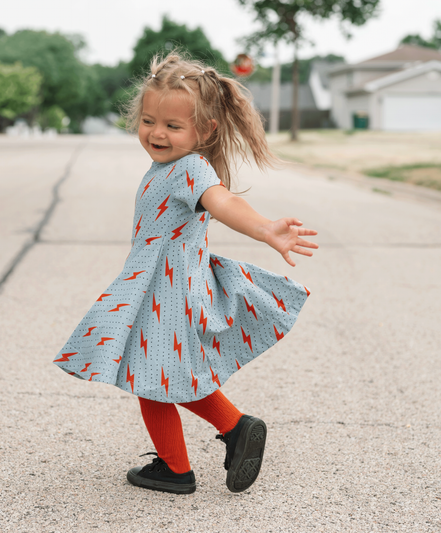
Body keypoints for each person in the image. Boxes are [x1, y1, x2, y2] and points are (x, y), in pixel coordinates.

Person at [54, 53, 318, 495]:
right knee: (168, 372)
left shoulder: (190, 168)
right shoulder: (166, 165)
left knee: (149, 379)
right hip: (166, 288)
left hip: (168, 292)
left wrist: (265, 229)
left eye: (173, 126)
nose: (157, 133)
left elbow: (223, 201)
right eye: (149, 120)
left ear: (205, 130)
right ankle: (236, 428)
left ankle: (176, 470)